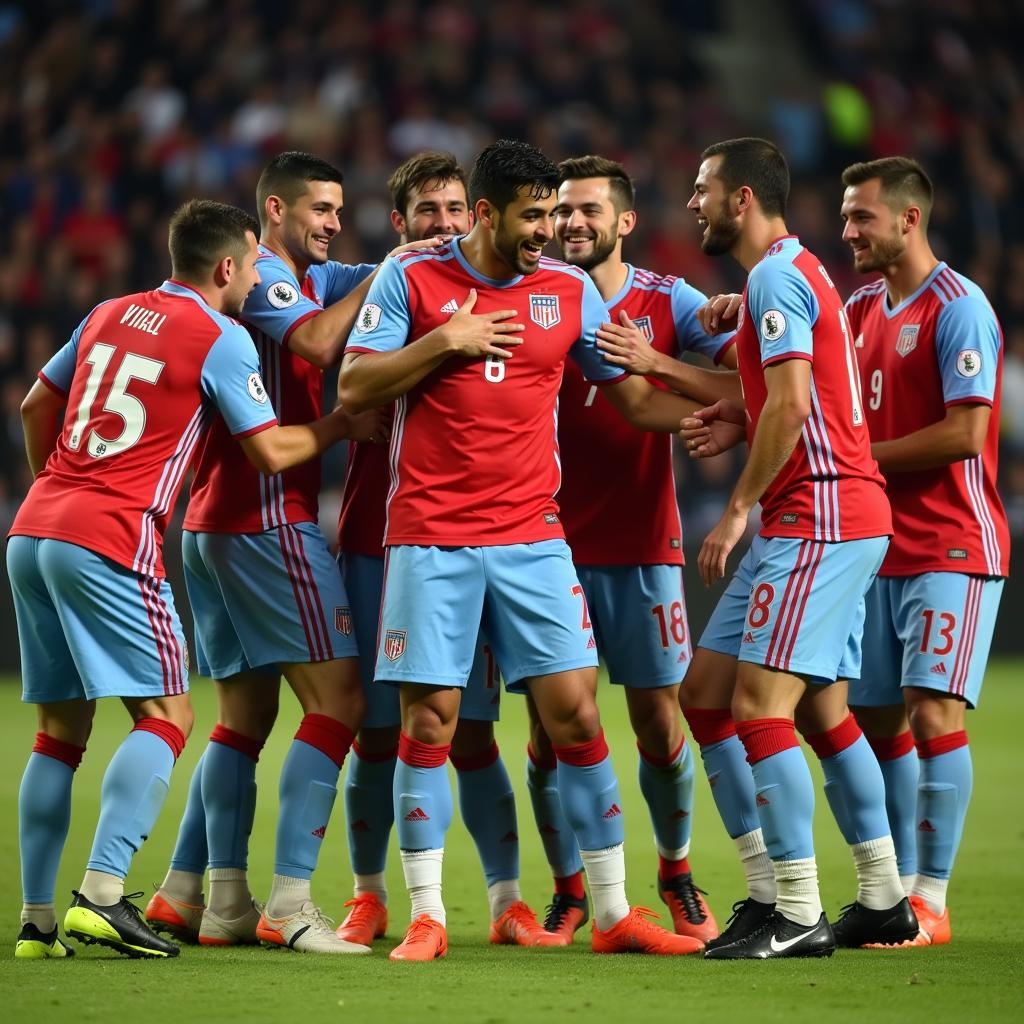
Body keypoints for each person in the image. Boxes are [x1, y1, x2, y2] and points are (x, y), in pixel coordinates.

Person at [338, 138, 710, 962]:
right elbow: (354, 387)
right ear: (484, 214)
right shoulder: (413, 279)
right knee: (430, 722)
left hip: (534, 540)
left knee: (577, 712)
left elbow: (639, 402)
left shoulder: (568, 290)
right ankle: (430, 914)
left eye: (554, 213)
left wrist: (729, 409)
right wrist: (446, 341)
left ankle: (614, 912)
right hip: (430, 536)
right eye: (532, 215)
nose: (549, 230)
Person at [11, 199, 357, 959]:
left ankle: (36, 925)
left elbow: (37, 402)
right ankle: (102, 895)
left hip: (34, 527)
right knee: (168, 715)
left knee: (58, 735)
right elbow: (270, 452)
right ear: (230, 266)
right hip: (110, 535)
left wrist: (58, 492)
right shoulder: (220, 336)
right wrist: (338, 425)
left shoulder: (108, 310)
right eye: (249, 268)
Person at [145, 152, 412, 955]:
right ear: (274, 209)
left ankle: (200, 892)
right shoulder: (262, 278)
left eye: (339, 209)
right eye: (319, 210)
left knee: (245, 716)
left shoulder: (305, 274)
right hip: (267, 523)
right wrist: (394, 270)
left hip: (212, 525)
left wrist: (419, 257)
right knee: (341, 705)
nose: (334, 222)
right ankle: (291, 903)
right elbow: (324, 343)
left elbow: (366, 283)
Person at [677, 137, 915, 959]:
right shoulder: (792, 273)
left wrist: (737, 507)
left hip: (818, 518)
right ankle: (880, 898)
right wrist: (738, 406)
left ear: (742, 199)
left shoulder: (777, 276)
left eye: (703, 190)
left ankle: (799, 912)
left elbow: (790, 405)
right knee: (716, 697)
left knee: (757, 709)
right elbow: (782, 398)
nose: (692, 204)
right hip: (820, 517)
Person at [335, 150, 558, 948]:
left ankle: (506, 902)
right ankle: (370, 896)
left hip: (484, 536)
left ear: (480, 215)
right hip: (383, 531)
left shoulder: (506, 289)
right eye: (427, 212)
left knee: (473, 728)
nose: (444, 224)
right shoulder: (390, 285)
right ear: (399, 224)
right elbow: (347, 375)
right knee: (376, 727)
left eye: (456, 209)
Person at [521, 153, 736, 945]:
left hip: (644, 545)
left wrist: (726, 320)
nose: (572, 223)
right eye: (561, 211)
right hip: (542, 548)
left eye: (588, 210)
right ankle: (570, 888)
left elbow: (740, 365)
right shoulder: (531, 289)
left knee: (658, 719)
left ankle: (676, 872)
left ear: (624, 221)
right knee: (551, 731)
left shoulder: (668, 299)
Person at [840, 157, 1008, 946]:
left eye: (861, 218)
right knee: (874, 715)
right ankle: (899, 894)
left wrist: (861, 457)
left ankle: (931, 898)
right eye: (845, 218)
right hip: (875, 547)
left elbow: (968, 432)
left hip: (949, 540)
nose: (847, 232)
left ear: (909, 219)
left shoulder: (959, 306)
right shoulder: (860, 306)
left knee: (933, 710)